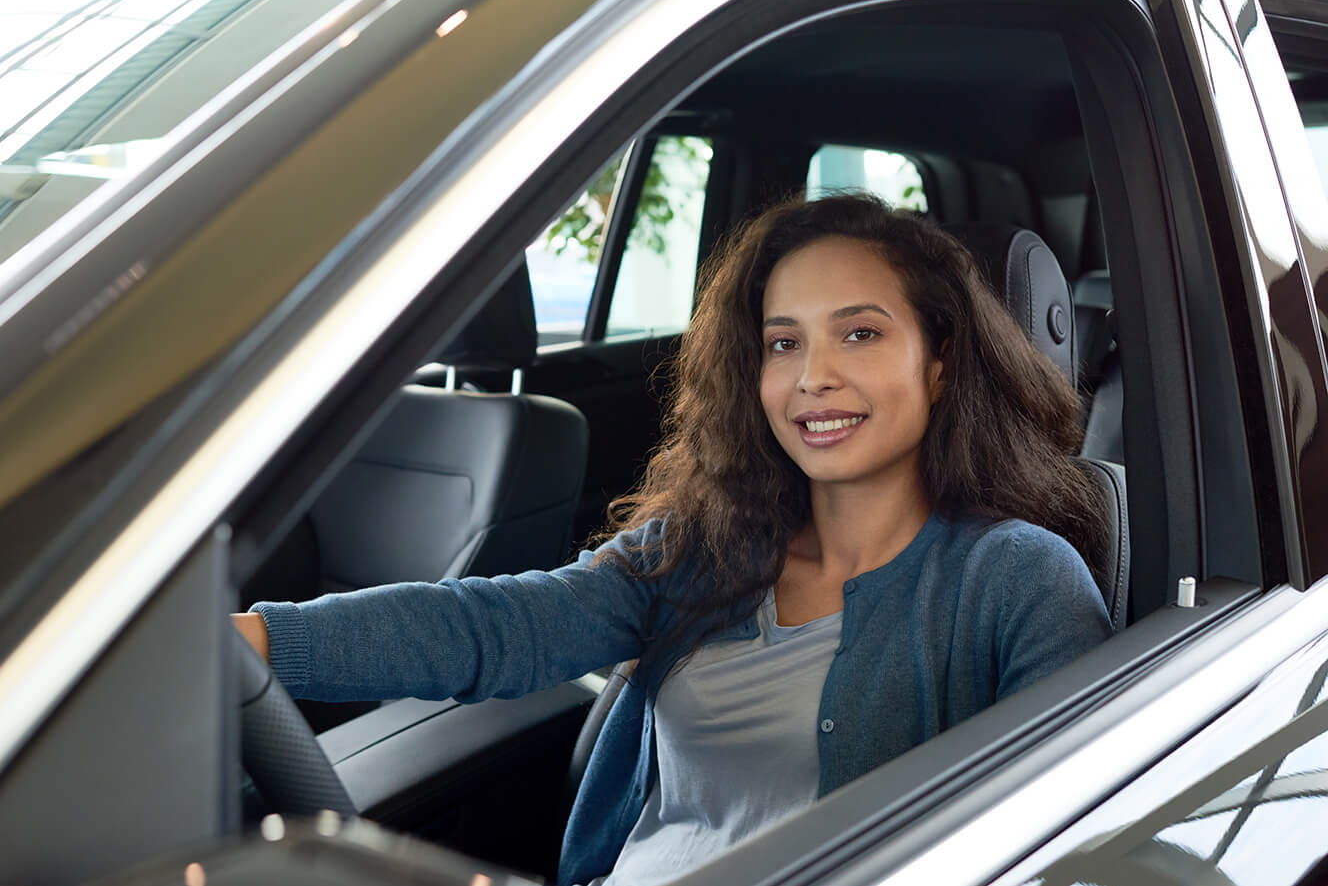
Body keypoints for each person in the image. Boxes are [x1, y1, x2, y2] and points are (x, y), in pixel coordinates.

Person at [233, 192, 1112, 886]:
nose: (813, 377)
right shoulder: (706, 548)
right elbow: (498, 625)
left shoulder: (1019, 580)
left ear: (942, 359)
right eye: (782, 342)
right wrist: (255, 641)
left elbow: (1076, 839)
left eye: (860, 332)